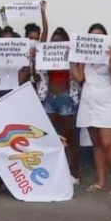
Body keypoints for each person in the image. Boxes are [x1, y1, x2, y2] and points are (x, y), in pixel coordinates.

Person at [72, 23, 111, 196]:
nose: (96, 39)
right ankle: (100, 181)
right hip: (89, 100)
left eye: (99, 36)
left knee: (108, 143)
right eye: (92, 36)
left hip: (107, 101)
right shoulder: (84, 56)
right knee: (97, 143)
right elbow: (78, 78)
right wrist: (72, 59)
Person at [37, 27, 80, 182]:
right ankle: (49, 170)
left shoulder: (72, 56)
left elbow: (77, 76)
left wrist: (70, 56)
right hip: (49, 98)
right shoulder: (46, 55)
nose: (57, 44)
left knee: (68, 136)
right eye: (54, 41)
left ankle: (74, 173)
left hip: (66, 98)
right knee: (48, 136)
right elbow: (39, 73)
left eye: (60, 41)